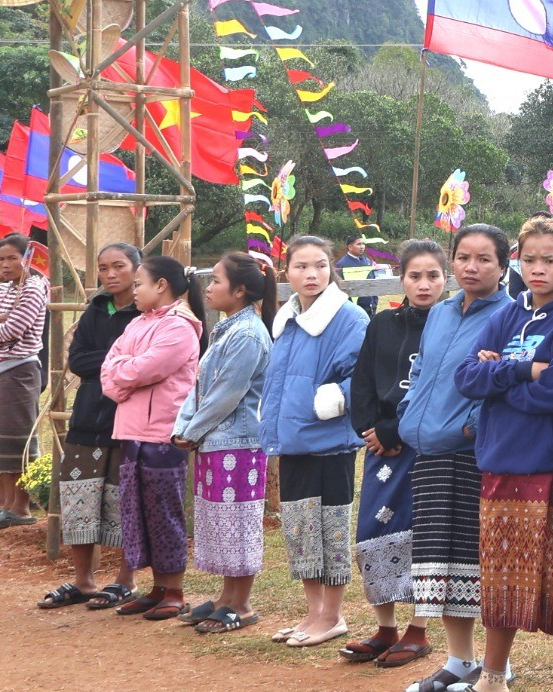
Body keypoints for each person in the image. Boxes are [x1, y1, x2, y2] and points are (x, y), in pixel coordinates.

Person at [444, 215, 553, 692]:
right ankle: (492, 680)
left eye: (549, 260)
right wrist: (519, 370)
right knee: (500, 577)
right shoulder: (510, 314)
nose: (537, 269)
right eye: (529, 258)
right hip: (500, 464)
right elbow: (466, 376)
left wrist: (499, 380)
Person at [396, 224, 514, 692]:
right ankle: (457, 661)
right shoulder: (441, 312)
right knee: (436, 562)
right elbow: (422, 367)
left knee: (471, 560)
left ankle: (492, 667)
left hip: (471, 454)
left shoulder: (510, 314)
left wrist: (470, 425)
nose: (471, 267)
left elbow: (503, 377)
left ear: (503, 266)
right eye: (463, 257)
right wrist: (408, 417)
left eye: (484, 259)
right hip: (426, 450)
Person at [340, 240, 447, 668]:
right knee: (372, 532)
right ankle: (385, 626)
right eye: (415, 276)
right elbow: (362, 381)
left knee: (424, 536)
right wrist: (370, 430)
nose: (424, 284)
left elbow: (442, 387)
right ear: (401, 279)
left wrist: (398, 429)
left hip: (427, 449)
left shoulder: (451, 326)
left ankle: (418, 630)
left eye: (433, 275)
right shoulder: (381, 323)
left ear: (445, 278)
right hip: (381, 451)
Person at [263, 234, 370, 649]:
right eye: (302, 266)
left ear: (332, 269)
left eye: (321, 265)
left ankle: (332, 615)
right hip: (292, 441)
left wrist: (330, 399)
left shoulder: (350, 319)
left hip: (331, 442)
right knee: (300, 528)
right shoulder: (286, 319)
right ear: (285, 272)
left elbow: (358, 376)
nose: (312, 274)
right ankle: (312, 613)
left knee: (331, 529)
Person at [170, 252, 275, 634]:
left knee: (239, 523)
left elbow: (227, 394)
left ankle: (242, 604)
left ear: (241, 290)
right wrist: (186, 427)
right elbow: (201, 388)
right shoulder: (229, 327)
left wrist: (192, 431)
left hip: (239, 442)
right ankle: (225, 597)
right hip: (217, 440)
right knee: (219, 522)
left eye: (215, 280)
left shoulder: (248, 334)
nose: (208, 287)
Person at [100, 256, 206, 621]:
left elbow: (146, 367)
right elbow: (109, 366)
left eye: (139, 283)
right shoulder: (137, 324)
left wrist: (121, 373)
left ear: (161, 286)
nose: (134, 290)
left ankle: (174, 589)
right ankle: (157, 587)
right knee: (138, 511)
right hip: (131, 429)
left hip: (163, 432)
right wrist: (122, 374)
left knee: (164, 511)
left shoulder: (179, 327)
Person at [37, 243, 142, 609]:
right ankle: (83, 581)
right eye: (102, 268)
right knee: (79, 498)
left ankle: (125, 580)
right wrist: (118, 358)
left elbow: (144, 362)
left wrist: (113, 362)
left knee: (125, 500)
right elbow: (78, 361)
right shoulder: (95, 310)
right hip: (86, 418)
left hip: (127, 419)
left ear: (137, 269)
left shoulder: (146, 315)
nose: (110, 274)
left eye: (118, 266)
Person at [0, 233, 48, 529]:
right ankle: (6, 504)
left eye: (13, 258)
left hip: (17, 372)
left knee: (18, 441)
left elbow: (14, 329)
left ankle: (21, 507)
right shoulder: (0, 291)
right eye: (1, 259)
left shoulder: (34, 288)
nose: (5, 264)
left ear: (27, 259)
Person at [338, 233, 380, 316]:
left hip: (369, 308)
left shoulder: (367, 261)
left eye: (363, 244)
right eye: (359, 244)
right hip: (353, 310)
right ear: (350, 247)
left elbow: (373, 282)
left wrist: (374, 302)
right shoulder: (342, 264)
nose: (362, 247)